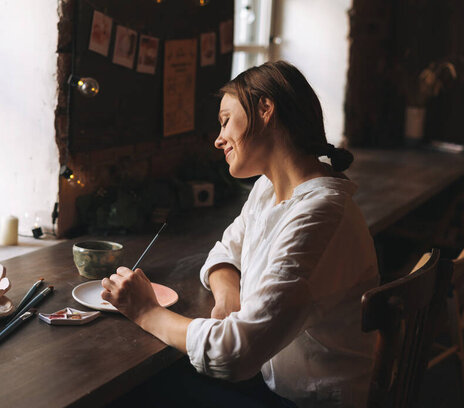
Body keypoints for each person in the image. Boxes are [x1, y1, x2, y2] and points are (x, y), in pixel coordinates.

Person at [101, 60, 379, 408]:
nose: (218, 139)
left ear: (265, 109)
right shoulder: (269, 188)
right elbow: (225, 252)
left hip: (309, 400)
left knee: (137, 391)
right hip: (271, 380)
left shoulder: (320, 213)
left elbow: (234, 354)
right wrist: (228, 298)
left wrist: (145, 311)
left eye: (225, 120)